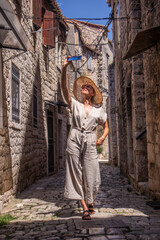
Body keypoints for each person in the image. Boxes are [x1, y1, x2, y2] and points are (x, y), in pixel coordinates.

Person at [61, 58, 109, 220]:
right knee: (75, 172)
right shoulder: (74, 104)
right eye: (83, 86)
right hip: (74, 138)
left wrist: (102, 137)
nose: (85, 88)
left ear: (93, 92)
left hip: (90, 140)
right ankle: (84, 207)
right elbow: (64, 88)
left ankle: (91, 200)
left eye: (88, 87)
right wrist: (64, 69)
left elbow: (106, 127)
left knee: (93, 175)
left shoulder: (99, 110)